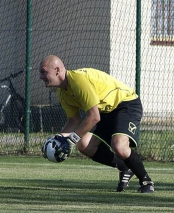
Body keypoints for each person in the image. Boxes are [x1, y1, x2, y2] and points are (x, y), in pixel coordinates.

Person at [39, 55, 154, 193]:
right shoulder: (63, 93)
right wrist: (57, 139)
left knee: (119, 146)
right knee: (84, 145)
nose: (41, 77)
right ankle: (125, 166)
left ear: (57, 70)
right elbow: (74, 121)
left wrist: (70, 141)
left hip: (126, 104)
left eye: (44, 72)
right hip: (106, 112)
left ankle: (146, 181)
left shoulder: (78, 80)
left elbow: (94, 117)